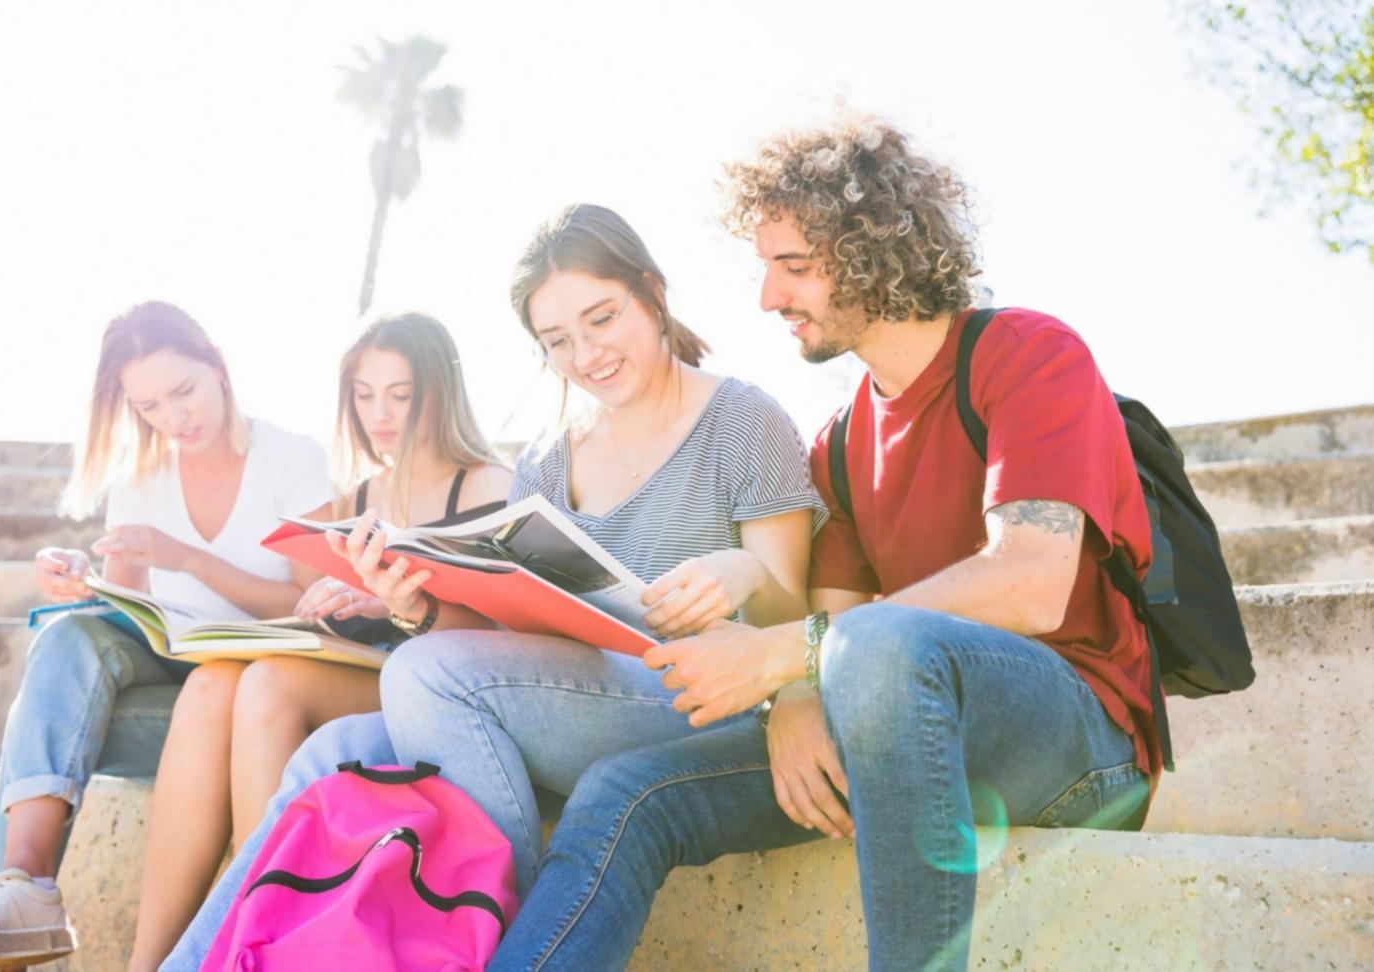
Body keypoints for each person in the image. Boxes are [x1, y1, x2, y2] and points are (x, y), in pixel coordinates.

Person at [489, 116, 1160, 971]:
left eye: (795, 266)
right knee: (627, 792)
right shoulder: (839, 445)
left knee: (878, 645)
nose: (768, 297)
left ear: (877, 250)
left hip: (1077, 745)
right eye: (766, 268)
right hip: (899, 726)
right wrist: (795, 702)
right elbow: (823, 630)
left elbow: (1030, 581)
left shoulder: (1028, 354)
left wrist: (787, 657)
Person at [160, 203, 826, 969]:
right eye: (558, 341)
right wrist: (415, 605)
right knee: (333, 750)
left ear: (653, 292)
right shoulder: (549, 457)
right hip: (577, 706)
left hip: (698, 697)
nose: (586, 355)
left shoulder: (742, 417)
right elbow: (509, 651)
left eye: (602, 318)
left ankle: (481, 943)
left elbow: (789, 614)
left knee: (419, 674)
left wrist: (743, 571)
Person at [0, 301, 333, 972]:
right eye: (148, 407)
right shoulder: (141, 477)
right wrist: (80, 583)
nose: (173, 418)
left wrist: (189, 558)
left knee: (207, 686)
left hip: (252, 705)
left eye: (183, 390)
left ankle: (40, 906)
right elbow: (128, 620)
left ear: (217, 366)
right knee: (69, 637)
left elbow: (314, 608)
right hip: (169, 693)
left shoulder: (292, 457)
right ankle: (23, 888)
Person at [126, 313, 512, 970]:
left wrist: (393, 601)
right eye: (364, 395)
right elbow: (346, 617)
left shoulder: (488, 484)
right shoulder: (359, 495)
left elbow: (509, 634)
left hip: (452, 693)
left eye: (400, 393)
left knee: (268, 684)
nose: (380, 414)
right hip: (373, 672)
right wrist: (330, 605)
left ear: (440, 392)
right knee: (247, 679)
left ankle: (253, 923)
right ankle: (235, 932)